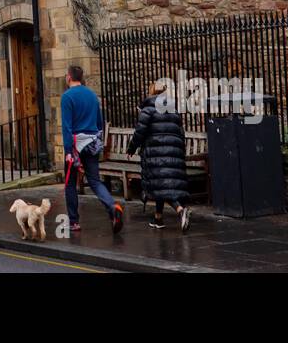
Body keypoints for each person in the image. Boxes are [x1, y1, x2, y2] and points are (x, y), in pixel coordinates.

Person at [61, 66, 123, 235]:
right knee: (95, 181)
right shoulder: (93, 96)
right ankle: (112, 206)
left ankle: (73, 222)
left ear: (69, 77)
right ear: (82, 78)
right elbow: (99, 122)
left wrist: (68, 151)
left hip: (75, 144)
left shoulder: (67, 97)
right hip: (92, 142)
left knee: (70, 184)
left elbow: (67, 127)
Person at [128, 81, 192, 232]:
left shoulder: (148, 109)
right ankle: (158, 218)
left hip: (155, 154)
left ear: (151, 92)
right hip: (172, 153)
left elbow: (140, 132)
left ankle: (180, 210)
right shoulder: (173, 110)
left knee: (161, 186)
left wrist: (132, 148)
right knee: (160, 185)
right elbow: (181, 132)